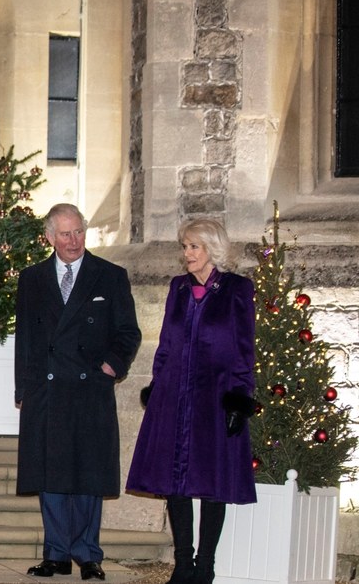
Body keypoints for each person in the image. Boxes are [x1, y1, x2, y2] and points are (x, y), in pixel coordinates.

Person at [14, 203, 142, 580]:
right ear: (49, 237)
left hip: (90, 390)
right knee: (51, 476)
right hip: (47, 392)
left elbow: (128, 333)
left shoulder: (110, 276)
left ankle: (88, 555)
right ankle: (55, 554)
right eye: (66, 234)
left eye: (79, 232)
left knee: (88, 473)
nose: (74, 241)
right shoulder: (32, 278)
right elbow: (26, 339)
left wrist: (111, 367)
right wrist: (24, 387)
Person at [126, 218, 256, 584]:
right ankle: (182, 565)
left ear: (212, 249)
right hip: (174, 395)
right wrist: (156, 386)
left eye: (193, 247)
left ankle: (205, 567)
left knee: (213, 484)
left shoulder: (237, 289)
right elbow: (166, 344)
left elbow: (244, 350)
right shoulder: (178, 288)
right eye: (184, 247)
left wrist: (239, 398)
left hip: (216, 396)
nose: (187, 254)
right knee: (174, 482)